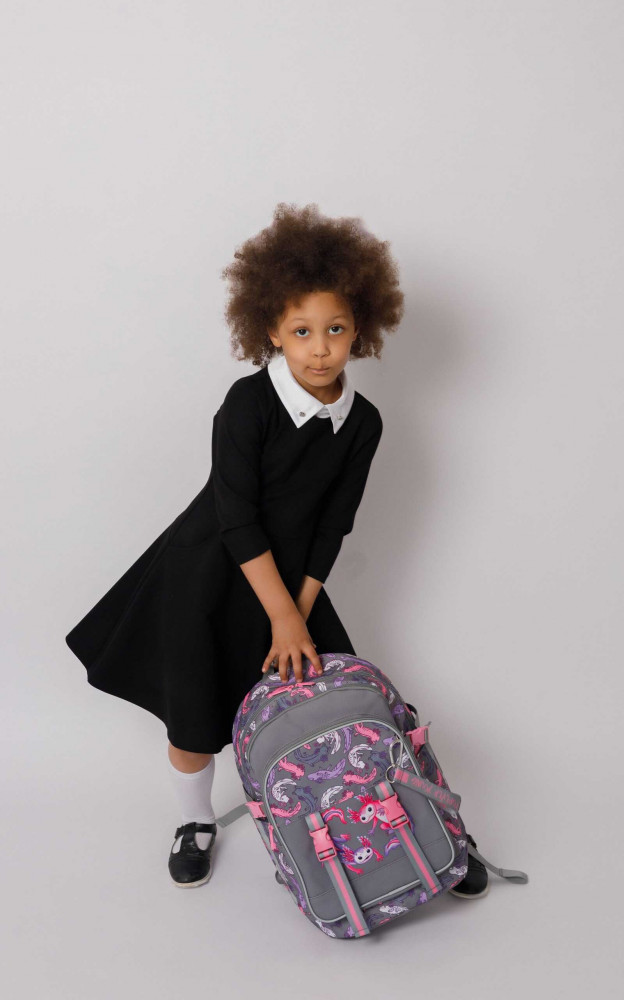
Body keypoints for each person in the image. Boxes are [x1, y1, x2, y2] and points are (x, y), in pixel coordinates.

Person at [65, 201, 488, 898]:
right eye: (301, 331)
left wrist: (299, 610)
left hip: (293, 583)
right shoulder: (247, 404)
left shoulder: (364, 422)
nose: (320, 348)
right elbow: (236, 520)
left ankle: (431, 834)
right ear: (271, 331)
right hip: (206, 575)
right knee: (193, 720)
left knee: (356, 706)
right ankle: (195, 822)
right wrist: (282, 618)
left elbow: (333, 526)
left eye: (335, 329)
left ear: (360, 329)